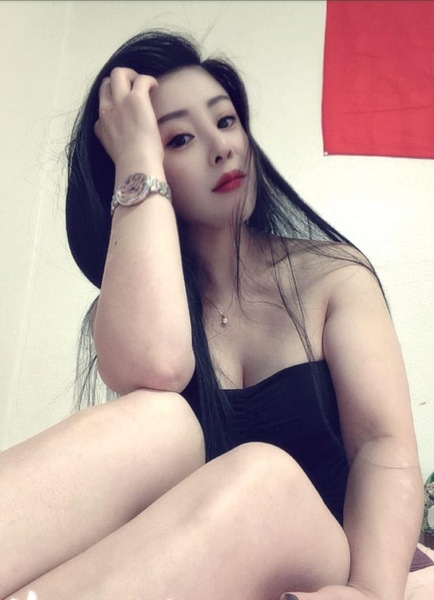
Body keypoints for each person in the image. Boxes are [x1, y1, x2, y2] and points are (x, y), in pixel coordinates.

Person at [0, 29, 424, 600]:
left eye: (226, 121)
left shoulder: (332, 276)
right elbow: (156, 365)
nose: (222, 147)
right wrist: (137, 156)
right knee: (161, 423)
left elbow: (382, 449)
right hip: (200, 574)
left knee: (264, 476)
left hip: (327, 564)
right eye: (178, 139)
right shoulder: (135, 313)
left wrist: (369, 593)